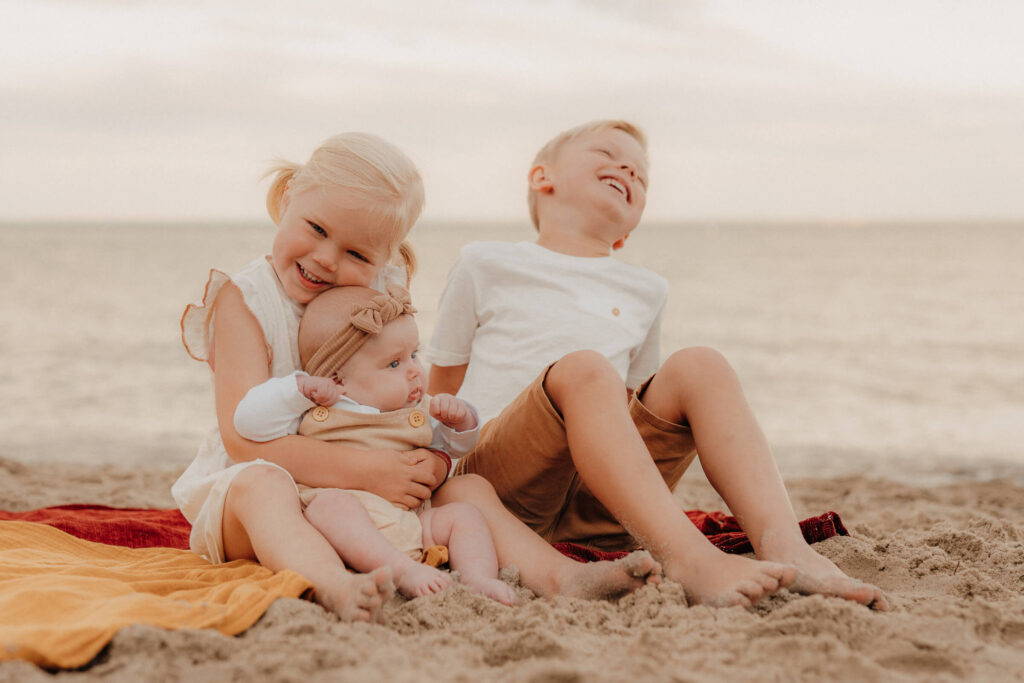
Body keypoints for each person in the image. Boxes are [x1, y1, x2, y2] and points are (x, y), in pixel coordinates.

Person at [172, 131, 660, 622]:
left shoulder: (378, 295)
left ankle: (558, 576)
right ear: (289, 196)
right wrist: (369, 472)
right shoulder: (247, 300)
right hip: (266, 505)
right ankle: (334, 584)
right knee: (262, 486)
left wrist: (429, 460)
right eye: (316, 228)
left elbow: (401, 398)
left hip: (370, 505)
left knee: (468, 490)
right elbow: (243, 441)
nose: (326, 258)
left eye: (358, 254)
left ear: (386, 258)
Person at [426, 120, 888, 610]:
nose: (629, 170)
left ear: (627, 234)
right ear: (543, 177)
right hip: (504, 487)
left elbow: (627, 410)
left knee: (701, 365)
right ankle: (690, 559)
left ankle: (785, 545)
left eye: (641, 175)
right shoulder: (485, 263)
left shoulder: (646, 290)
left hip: (601, 508)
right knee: (587, 370)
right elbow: (442, 395)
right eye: (608, 154)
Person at [232, 284, 516, 605]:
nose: (414, 371)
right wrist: (297, 390)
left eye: (414, 355)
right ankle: (403, 571)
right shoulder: (317, 406)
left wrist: (461, 420)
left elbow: (456, 447)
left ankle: (479, 578)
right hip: (342, 531)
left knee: (464, 515)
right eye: (394, 364)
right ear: (337, 379)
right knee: (329, 507)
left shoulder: (419, 408)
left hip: (409, 522)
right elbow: (249, 423)